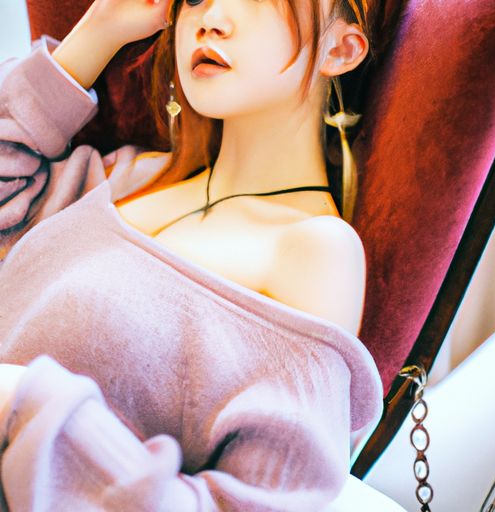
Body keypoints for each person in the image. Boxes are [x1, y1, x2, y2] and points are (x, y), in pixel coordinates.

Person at [0, 0, 406, 510]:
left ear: (340, 50)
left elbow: (257, 501)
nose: (210, 18)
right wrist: (99, 31)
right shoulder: (131, 178)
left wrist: (23, 401)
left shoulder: (313, 251)